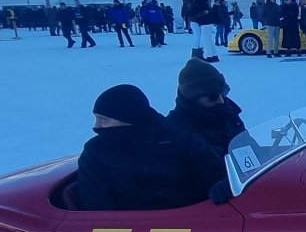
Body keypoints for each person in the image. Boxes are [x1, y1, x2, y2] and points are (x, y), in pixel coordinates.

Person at [76, 84, 226, 212]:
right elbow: (97, 207)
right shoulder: (95, 152)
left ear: (128, 119)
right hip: (133, 231)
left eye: (103, 120)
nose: (97, 126)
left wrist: (223, 187)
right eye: (97, 119)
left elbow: (215, 171)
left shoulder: (179, 139)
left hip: (191, 221)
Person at [167, 48, 248, 150]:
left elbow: (249, 149)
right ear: (192, 98)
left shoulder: (228, 113)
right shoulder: (174, 132)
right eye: (213, 96)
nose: (221, 100)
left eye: (223, 93)